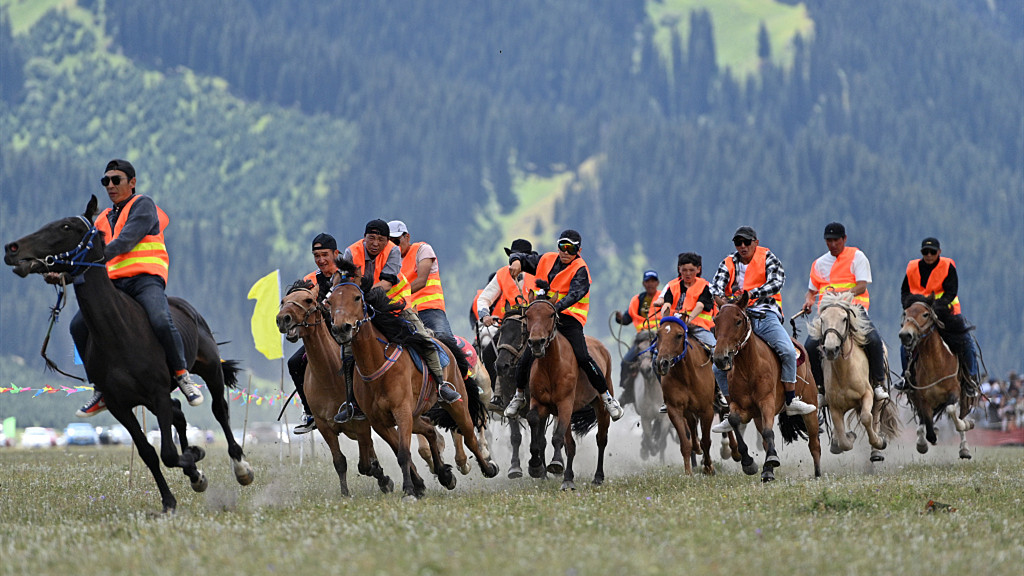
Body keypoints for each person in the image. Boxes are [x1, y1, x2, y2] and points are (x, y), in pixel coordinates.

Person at [71, 159, 203, 417]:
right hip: (115, 284)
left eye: (115, 180)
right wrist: (64, 269)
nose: (110, 185)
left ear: (132, 183)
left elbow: (125, 241)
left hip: (145, 280)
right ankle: (100, 388)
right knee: (77, 326)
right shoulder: (102, 220)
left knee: (161, 320)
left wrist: (93, 260)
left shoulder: (143, 205)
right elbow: (85, 251)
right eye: (105, 181)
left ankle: (182, 376)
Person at [333, 219, 461, 424]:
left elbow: (386, 282)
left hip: (396, 303)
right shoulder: (350, 252)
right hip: (362, 306)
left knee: (422, 337)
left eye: (381, 239)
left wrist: (360, 294)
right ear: (364, 237)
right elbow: (341, 279)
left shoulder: (393, 251)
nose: (375, 243)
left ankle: (442, 385)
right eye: (371, 238)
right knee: (347, 351)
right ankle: (351, 403)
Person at [502, 230, 624, 421]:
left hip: (569, 318)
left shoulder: (581, 269)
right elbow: (526, 258)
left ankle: (606, 397)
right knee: (526, 355)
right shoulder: (547, 259)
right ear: (558, 246)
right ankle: (518, 396)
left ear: (578, 250)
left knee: (583, 356)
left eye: (571, 248)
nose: (566, 252)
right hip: (545, 316)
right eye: (562, 247)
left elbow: (575, 294)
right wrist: (516, 260)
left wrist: (554, 307)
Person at [708, 226, 816, 433]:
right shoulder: (728, 263)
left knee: (786, 349)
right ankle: (732, 409)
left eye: (746, 242)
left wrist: (750, 294)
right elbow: (715, 287)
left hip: (764, 314)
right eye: (738, 243)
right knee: (716, 365)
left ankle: (791, 398)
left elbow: (777, 281)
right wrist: (728, 302)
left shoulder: (768, 257)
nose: (742, 246)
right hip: (736, 317)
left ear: (755, 242)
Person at [800, 222, 889, 403]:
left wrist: (843, 296)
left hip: (853, 309)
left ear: (844, 239)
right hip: (827, 313)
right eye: (828, 241)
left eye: (836, 240)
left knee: (873, 339)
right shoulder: (819, 263)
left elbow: (862, 285)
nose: (832, 244)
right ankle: (820, 389)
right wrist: (809, 301)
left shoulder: (857, 256)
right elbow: (812, 291)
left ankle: (878, 384)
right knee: (809, 346)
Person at [896, 237, 982, 396]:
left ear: (939, 252)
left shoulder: (947, 266)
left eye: (932, 252)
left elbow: (951, 292)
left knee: (966, 340)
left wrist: (935, 308)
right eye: (925, 252)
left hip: (946, 312)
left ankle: (971, 379)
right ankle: (906, 378)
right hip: (919, 315)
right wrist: (909, 306)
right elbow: (905, 291)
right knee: (906, 341)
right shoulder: (912, 267)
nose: (929, 255)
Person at [653, 252, 728, 413]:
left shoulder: (705, 286)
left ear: (698, 270)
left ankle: (719, 390)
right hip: (674, 328)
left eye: (691, 270)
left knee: (716, 351)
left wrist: (688, 319)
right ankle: (667, 396)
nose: (687, 273)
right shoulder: (672, 286)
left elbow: (701, 305)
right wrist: (665, 316)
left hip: (699, 327)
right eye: (684, 270)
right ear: (679, 269)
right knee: (655, 356)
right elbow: (666, 303)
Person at [288, 233, 340, 435]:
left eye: (325, 254)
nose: (321, 260)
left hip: (345, 334)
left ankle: (359, 405)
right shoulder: (310, 280)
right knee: (294, 363)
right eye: (316, 255)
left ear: (335, 253)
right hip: (319, 338)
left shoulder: (346, 275)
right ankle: (310, 412)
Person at [388, 220, 454, 340]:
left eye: (396, 241)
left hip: (429, 310)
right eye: (389, 242)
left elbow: (421, 281)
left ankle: (459, 359)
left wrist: (393, 298)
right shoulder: (387, 261)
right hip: (401, 312)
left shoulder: (422, 250)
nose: (393, 246)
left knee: (444, 337)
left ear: (407, 237)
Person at [613, 269, 662, 407]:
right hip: (641, 340)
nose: (650, 284)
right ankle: (627, 392)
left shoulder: (663, 298)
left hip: (658, 339)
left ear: (657, 283)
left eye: (653, 281)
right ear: (643, 283)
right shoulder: (637, 300)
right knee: (626, 362)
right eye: (648, 281)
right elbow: (627, 318)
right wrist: (620, 318)